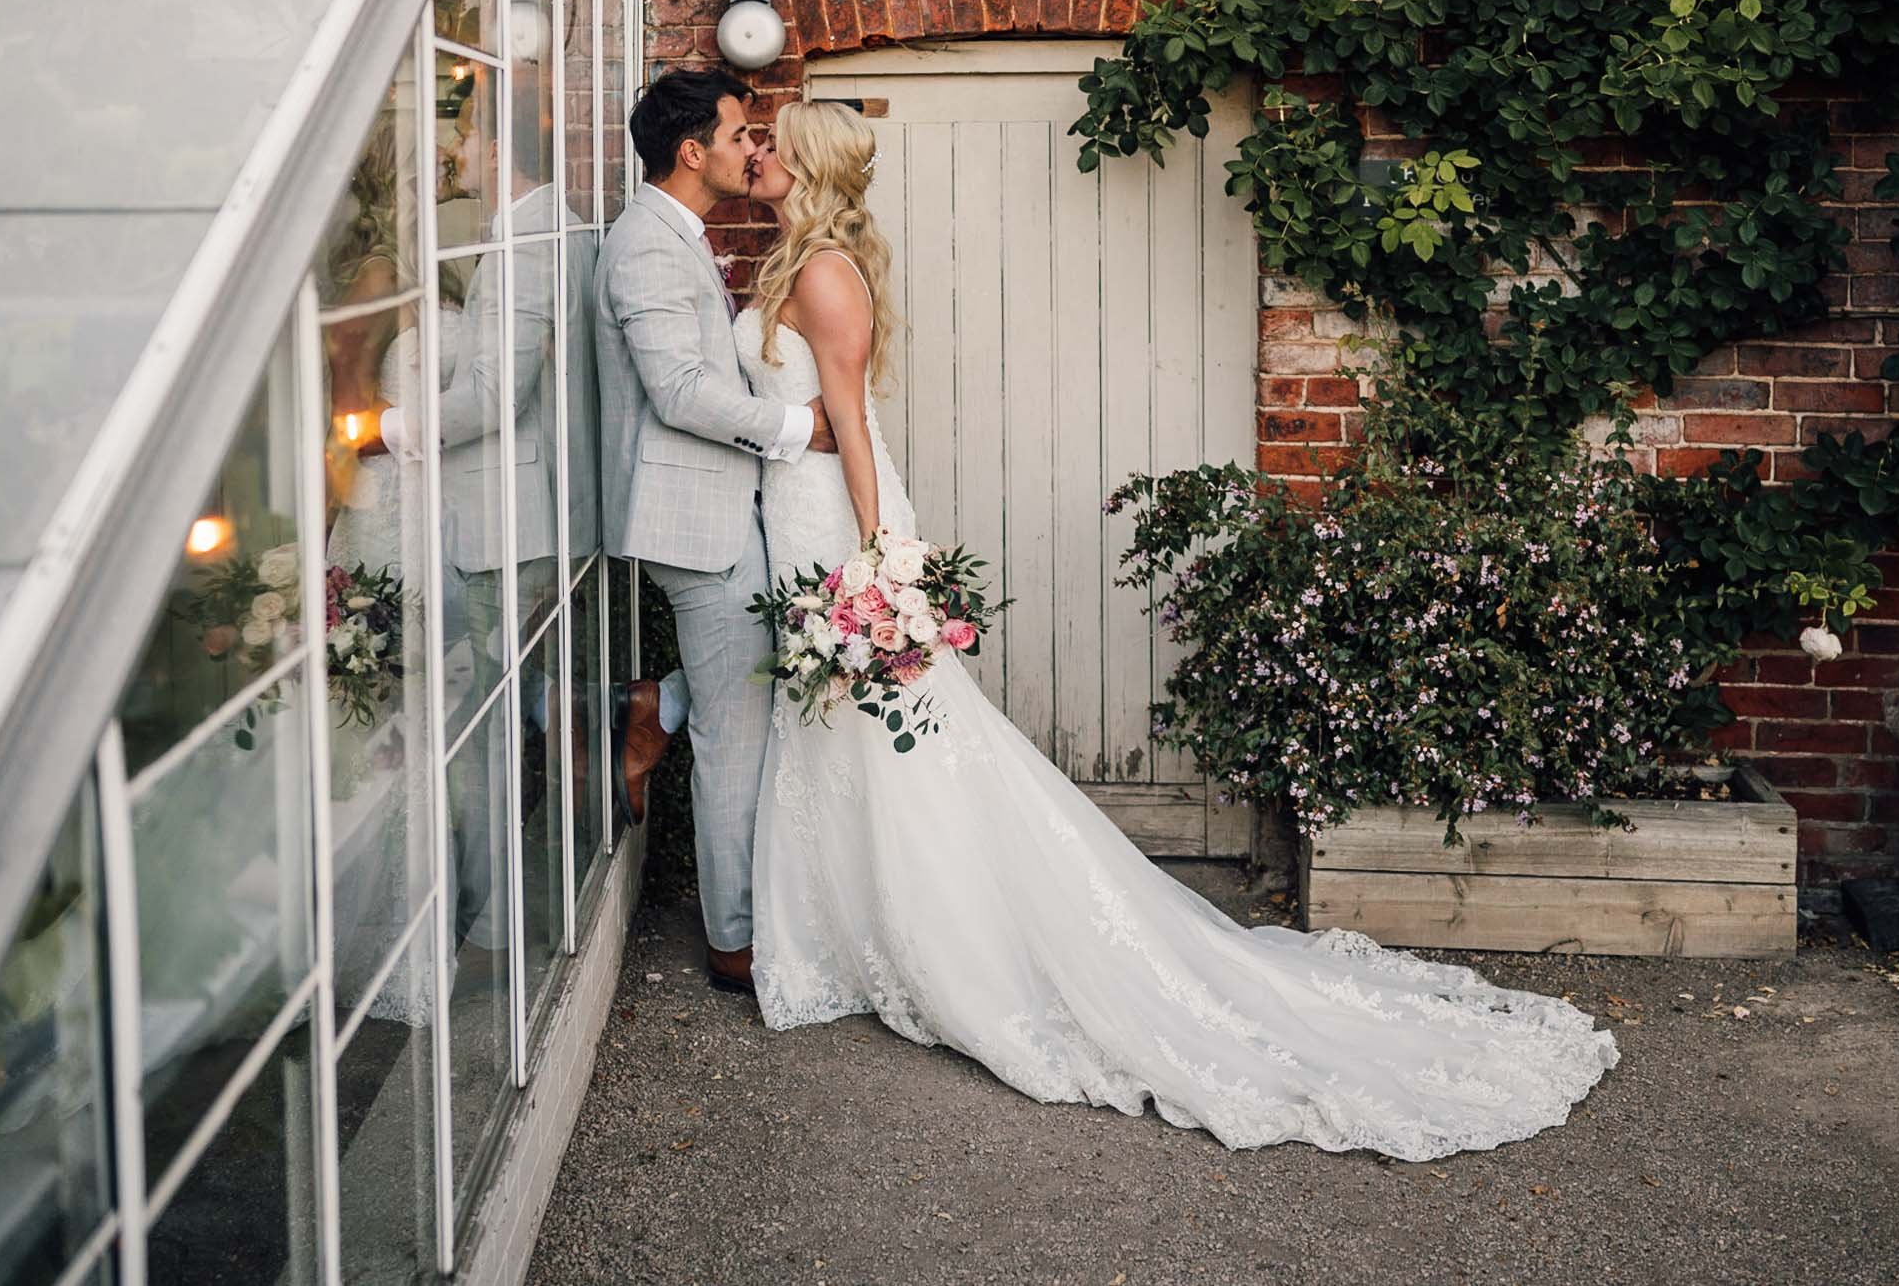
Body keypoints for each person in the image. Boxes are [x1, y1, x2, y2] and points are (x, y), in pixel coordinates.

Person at [739, 99, 1621, 1159]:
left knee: (901, 743)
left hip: (840, 526)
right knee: (848, 741)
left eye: (767, 141)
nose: (753, 150)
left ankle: (948, 943)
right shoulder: (796, 260)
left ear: (802, 164)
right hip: (797, 522)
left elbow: (849, 425)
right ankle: (849, 933)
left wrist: (882, 568)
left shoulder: (826, 274)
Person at [592, 69, 837, 995]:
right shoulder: (648, 249)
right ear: (692, 151)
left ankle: (654, 707)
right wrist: (796, 430)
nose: (752, 147)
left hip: (719, 510)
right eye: (740, 133)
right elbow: (681, 392)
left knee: (758, 674)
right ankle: (734, 938)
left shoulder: (674, 237)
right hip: (696, 523)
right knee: (740, 736)